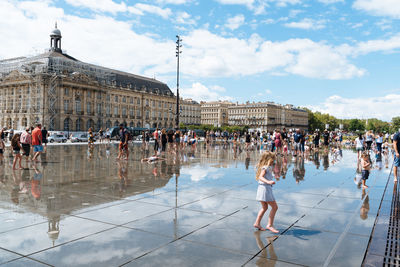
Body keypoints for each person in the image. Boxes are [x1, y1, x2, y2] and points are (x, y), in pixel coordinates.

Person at [253, 152, 279, 233]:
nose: (273, 162)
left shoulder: (267, 167)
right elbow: (261, 177)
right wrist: (268, 182)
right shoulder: (266, 167)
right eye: (273, 161)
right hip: (265, 189)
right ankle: (269, 225)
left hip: (262, 189)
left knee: (264, 207)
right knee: (275, 207)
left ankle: (257, 223)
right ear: (269, 160)